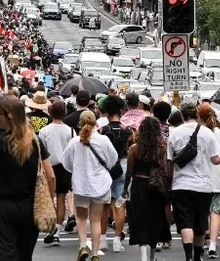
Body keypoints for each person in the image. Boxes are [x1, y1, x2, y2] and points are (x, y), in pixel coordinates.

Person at [0, 95, 52, 261]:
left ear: (8, 116)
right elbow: (51, 175)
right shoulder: (36, 142)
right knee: (25, 255)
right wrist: (50, 198)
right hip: (29, 206)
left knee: (5, 255)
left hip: (3, 205)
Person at [167, 102, 220, 261]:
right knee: (199, 224)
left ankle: (188, 256)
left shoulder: (175, 133)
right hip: (203, 186)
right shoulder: (207, 133)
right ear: (197, 115)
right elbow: (215, 160)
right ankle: (197, 256)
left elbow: (170, 160)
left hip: (181, 184)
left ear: (182, 116)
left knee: (185, 222)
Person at [61, 109, 116, 261]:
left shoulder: (74, 142)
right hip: (100, 185)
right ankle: (95, 254)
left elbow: (66, 162)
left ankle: (83, 246)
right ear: (95, 122)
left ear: (80, 123)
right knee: (96, 220)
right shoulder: (104, 140)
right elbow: (113, 159)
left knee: (81, 218)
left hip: (81, 185)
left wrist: (77, 170)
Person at [123, 116, 171, 261]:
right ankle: (151, 255)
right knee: (155, 221)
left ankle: (143, 254)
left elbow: (129, 172)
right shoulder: (162, 148)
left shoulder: (134, 149)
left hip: (139, 186)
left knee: (140, 220)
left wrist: (125, 189)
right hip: (156, 187)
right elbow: (166, 169)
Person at [98, 94, 131, 253]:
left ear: (107, 112)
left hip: (105, 167)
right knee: (120, 204)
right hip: (123, 165)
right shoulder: (128, 131)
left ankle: (102, 239)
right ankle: (117, 240)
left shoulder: (102, 130)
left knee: (104, 205)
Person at [198, 105, 220, 259]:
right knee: (216, 212)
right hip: (218, 179)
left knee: (202, 211)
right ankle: (212, 245)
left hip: (200, 178)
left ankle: (201, 240)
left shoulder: (197, 133)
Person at [38, 98, 74, 245]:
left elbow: (41, 153)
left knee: (50, 199)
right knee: (61, 199)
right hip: (65, 167)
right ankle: (57, 230)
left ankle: (52, 229)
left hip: (49, 167)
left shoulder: (44, 130)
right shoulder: (70, 130)